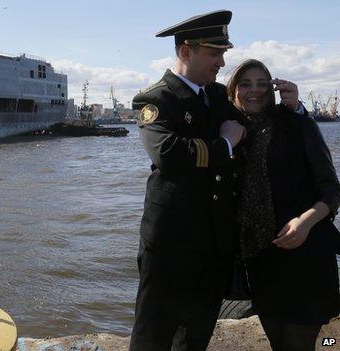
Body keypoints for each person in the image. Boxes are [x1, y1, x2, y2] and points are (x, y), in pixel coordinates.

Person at [130, 10, 248, 350]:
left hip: (213, 240)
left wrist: (294, 109)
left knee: (197, 334)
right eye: (215, 53)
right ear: (186, 51)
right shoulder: (156, 98)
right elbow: (167, 153)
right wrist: (225, 143)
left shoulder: (217, 97)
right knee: (154, 334)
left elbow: (250, 129)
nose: (222, 62)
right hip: (171, 242)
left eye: (223, 53)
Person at [227, 59, 340, 351]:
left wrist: (305, 222)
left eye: (262, 84)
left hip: (307, 255)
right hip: (262, 259)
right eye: (245, 84)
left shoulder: (297, 125)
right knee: (279, 344)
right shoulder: (231, 133)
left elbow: (331, 190)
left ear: (273, 89)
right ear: (233, 90)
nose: (254, 91)